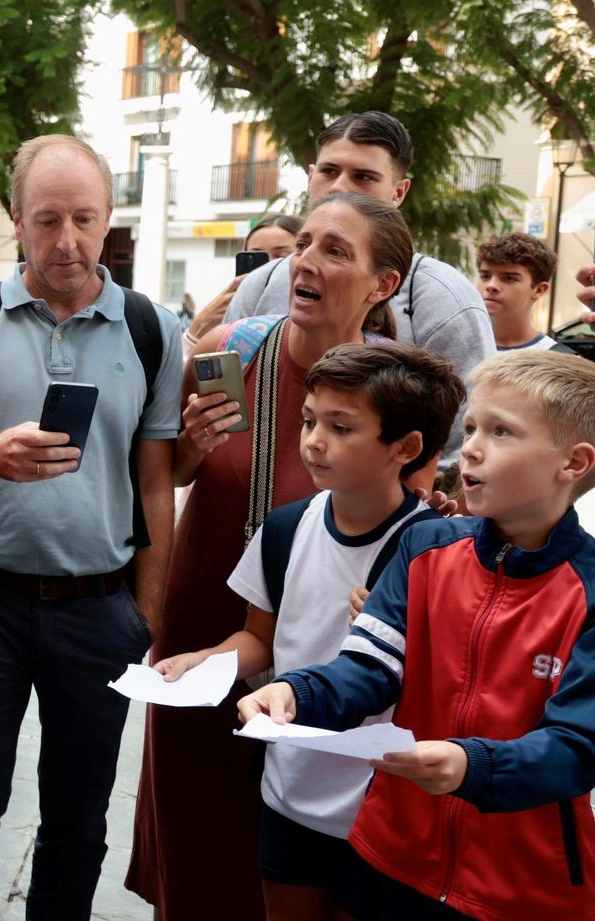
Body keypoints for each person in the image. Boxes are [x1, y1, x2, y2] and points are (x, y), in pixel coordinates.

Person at [0, 134, 182, 921]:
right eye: (47, 220)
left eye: (85, 220)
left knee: (78, 822)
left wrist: (149, 615)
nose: (67, 241)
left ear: (109, 219)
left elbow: (155, 478)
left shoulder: (151, 327)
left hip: (100, 610)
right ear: (15, 221)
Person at [127, 192, 414, 920]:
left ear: (383, 285)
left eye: (334, 250)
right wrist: (190, 442)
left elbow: (410, 525)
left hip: (323, 638)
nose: (305, 261)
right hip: (205, 618)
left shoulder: (404, 391)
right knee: (196, 831)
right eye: (304, 242)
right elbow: (174, 473)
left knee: (294, 839)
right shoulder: (234, 347)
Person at [240, 351, 595, 921]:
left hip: (519, 882)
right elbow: (369, 667)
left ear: (573, 463)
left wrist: (469, 765)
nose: (472, 447)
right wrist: (297, 693)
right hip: (389, 852)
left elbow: (579, 747)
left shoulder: (588, 590)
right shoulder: (425, 547)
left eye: (501, 432)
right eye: (473, 426)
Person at [154, 343, 463, 921]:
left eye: (341, 427)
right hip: (292, 788)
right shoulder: (287, 527)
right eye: (308, 420)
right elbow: (262, 639)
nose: (314, 440)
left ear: (408, 447)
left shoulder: (440, 547)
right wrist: (205, 661)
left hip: (384, 802)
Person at [223, 112, 491, 466]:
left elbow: (465, 442)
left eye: (363, 176)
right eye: (329, 171)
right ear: (310, 177)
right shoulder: (263, 285)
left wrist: (416, 508)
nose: (339, 187)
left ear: (398, 192)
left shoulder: (444, 298)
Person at [186, 213, 305, 345]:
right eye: (255, 256)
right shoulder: (226, 315)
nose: (269, 267)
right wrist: (199, 328)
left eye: (281, 257)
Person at [476, 231, 558, 351]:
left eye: (509, 278)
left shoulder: (555, 359)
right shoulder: (455, 347)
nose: (491, 285)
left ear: (539, 290)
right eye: (485, 276)